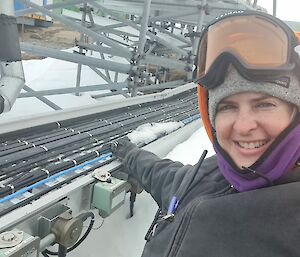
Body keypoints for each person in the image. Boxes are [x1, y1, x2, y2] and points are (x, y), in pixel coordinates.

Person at [112, 11, 300, 257]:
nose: (243, 126)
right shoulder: (209, 175)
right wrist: (129, 154)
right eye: (227, 107)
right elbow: (163, 176)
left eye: (264, 104)